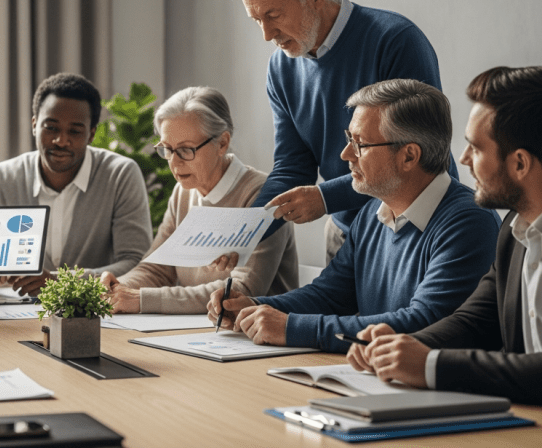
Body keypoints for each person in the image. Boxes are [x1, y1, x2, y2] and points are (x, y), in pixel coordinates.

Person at [347, 67, 542, 410]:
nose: (463, 159)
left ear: (520, 163)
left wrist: (430, 366)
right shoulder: (514, 228)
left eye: (475, 147)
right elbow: (475, 322)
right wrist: (399, 347)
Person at [208, 80, 500, 352]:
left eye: (360, 143)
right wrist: (253, 307)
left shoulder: (469, 222)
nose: (346, 154)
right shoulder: (371, 211)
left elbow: (423, 323)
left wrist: (291, 327)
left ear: (409, 156)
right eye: (349, 139)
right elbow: (330, 295)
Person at [232, 0, 454, 263]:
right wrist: (242, 232)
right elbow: (293, 168)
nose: (266, 34)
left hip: (417, 229)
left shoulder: (395, 42)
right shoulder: (281, 68)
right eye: (256, 20)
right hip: (345, 234)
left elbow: (421, 162)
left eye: (273, 15)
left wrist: (325, 198)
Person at [0, 73, 153, 297]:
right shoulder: (4, 176)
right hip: (15, 316)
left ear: (91, 134)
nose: (61, 141)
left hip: (93, 315)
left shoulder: (120, 174)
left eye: (74, 131)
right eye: (51, 128)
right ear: (35, 125)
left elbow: (137, 264)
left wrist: (60, 281)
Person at [101, 86, 298, 314]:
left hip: (261, 336)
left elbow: (242, 289)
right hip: (198, 331)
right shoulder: (182, 193)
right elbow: (156, 270)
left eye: (185, 150)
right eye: (167, 149)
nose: (174, 163)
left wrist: (141, 299)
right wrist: (117, 287)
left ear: (222, 143)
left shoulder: (262, 194)